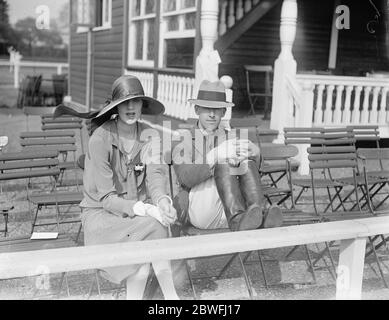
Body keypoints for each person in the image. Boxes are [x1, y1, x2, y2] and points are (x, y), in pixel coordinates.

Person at [55, 75, 179, 300]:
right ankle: (170, 298)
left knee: (154, 233)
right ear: (115, 107)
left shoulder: (150, 136)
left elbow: (156, 175)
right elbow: (107, 199)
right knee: (152, 234)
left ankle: (168, 298)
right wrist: (146, 209)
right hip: (102, 217)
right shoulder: (100, 139)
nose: (131, 107)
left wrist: (162, 201)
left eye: (136, 101)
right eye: (124, 103)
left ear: (143, 105)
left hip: (135, 217)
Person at [172, 80, 283, 232]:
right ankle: (243, 219)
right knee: (224, 160)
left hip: (232, 210)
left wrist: (256, 155)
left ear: (223, 112)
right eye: (207, 109)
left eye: (217, 110)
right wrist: (214, 156)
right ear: (197, 109)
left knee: (244, 158)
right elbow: (184, 178)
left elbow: (253, 173)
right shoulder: (183, 138)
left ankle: (258, 214)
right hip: (200, 210)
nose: (212, 114)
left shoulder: (230, 136)